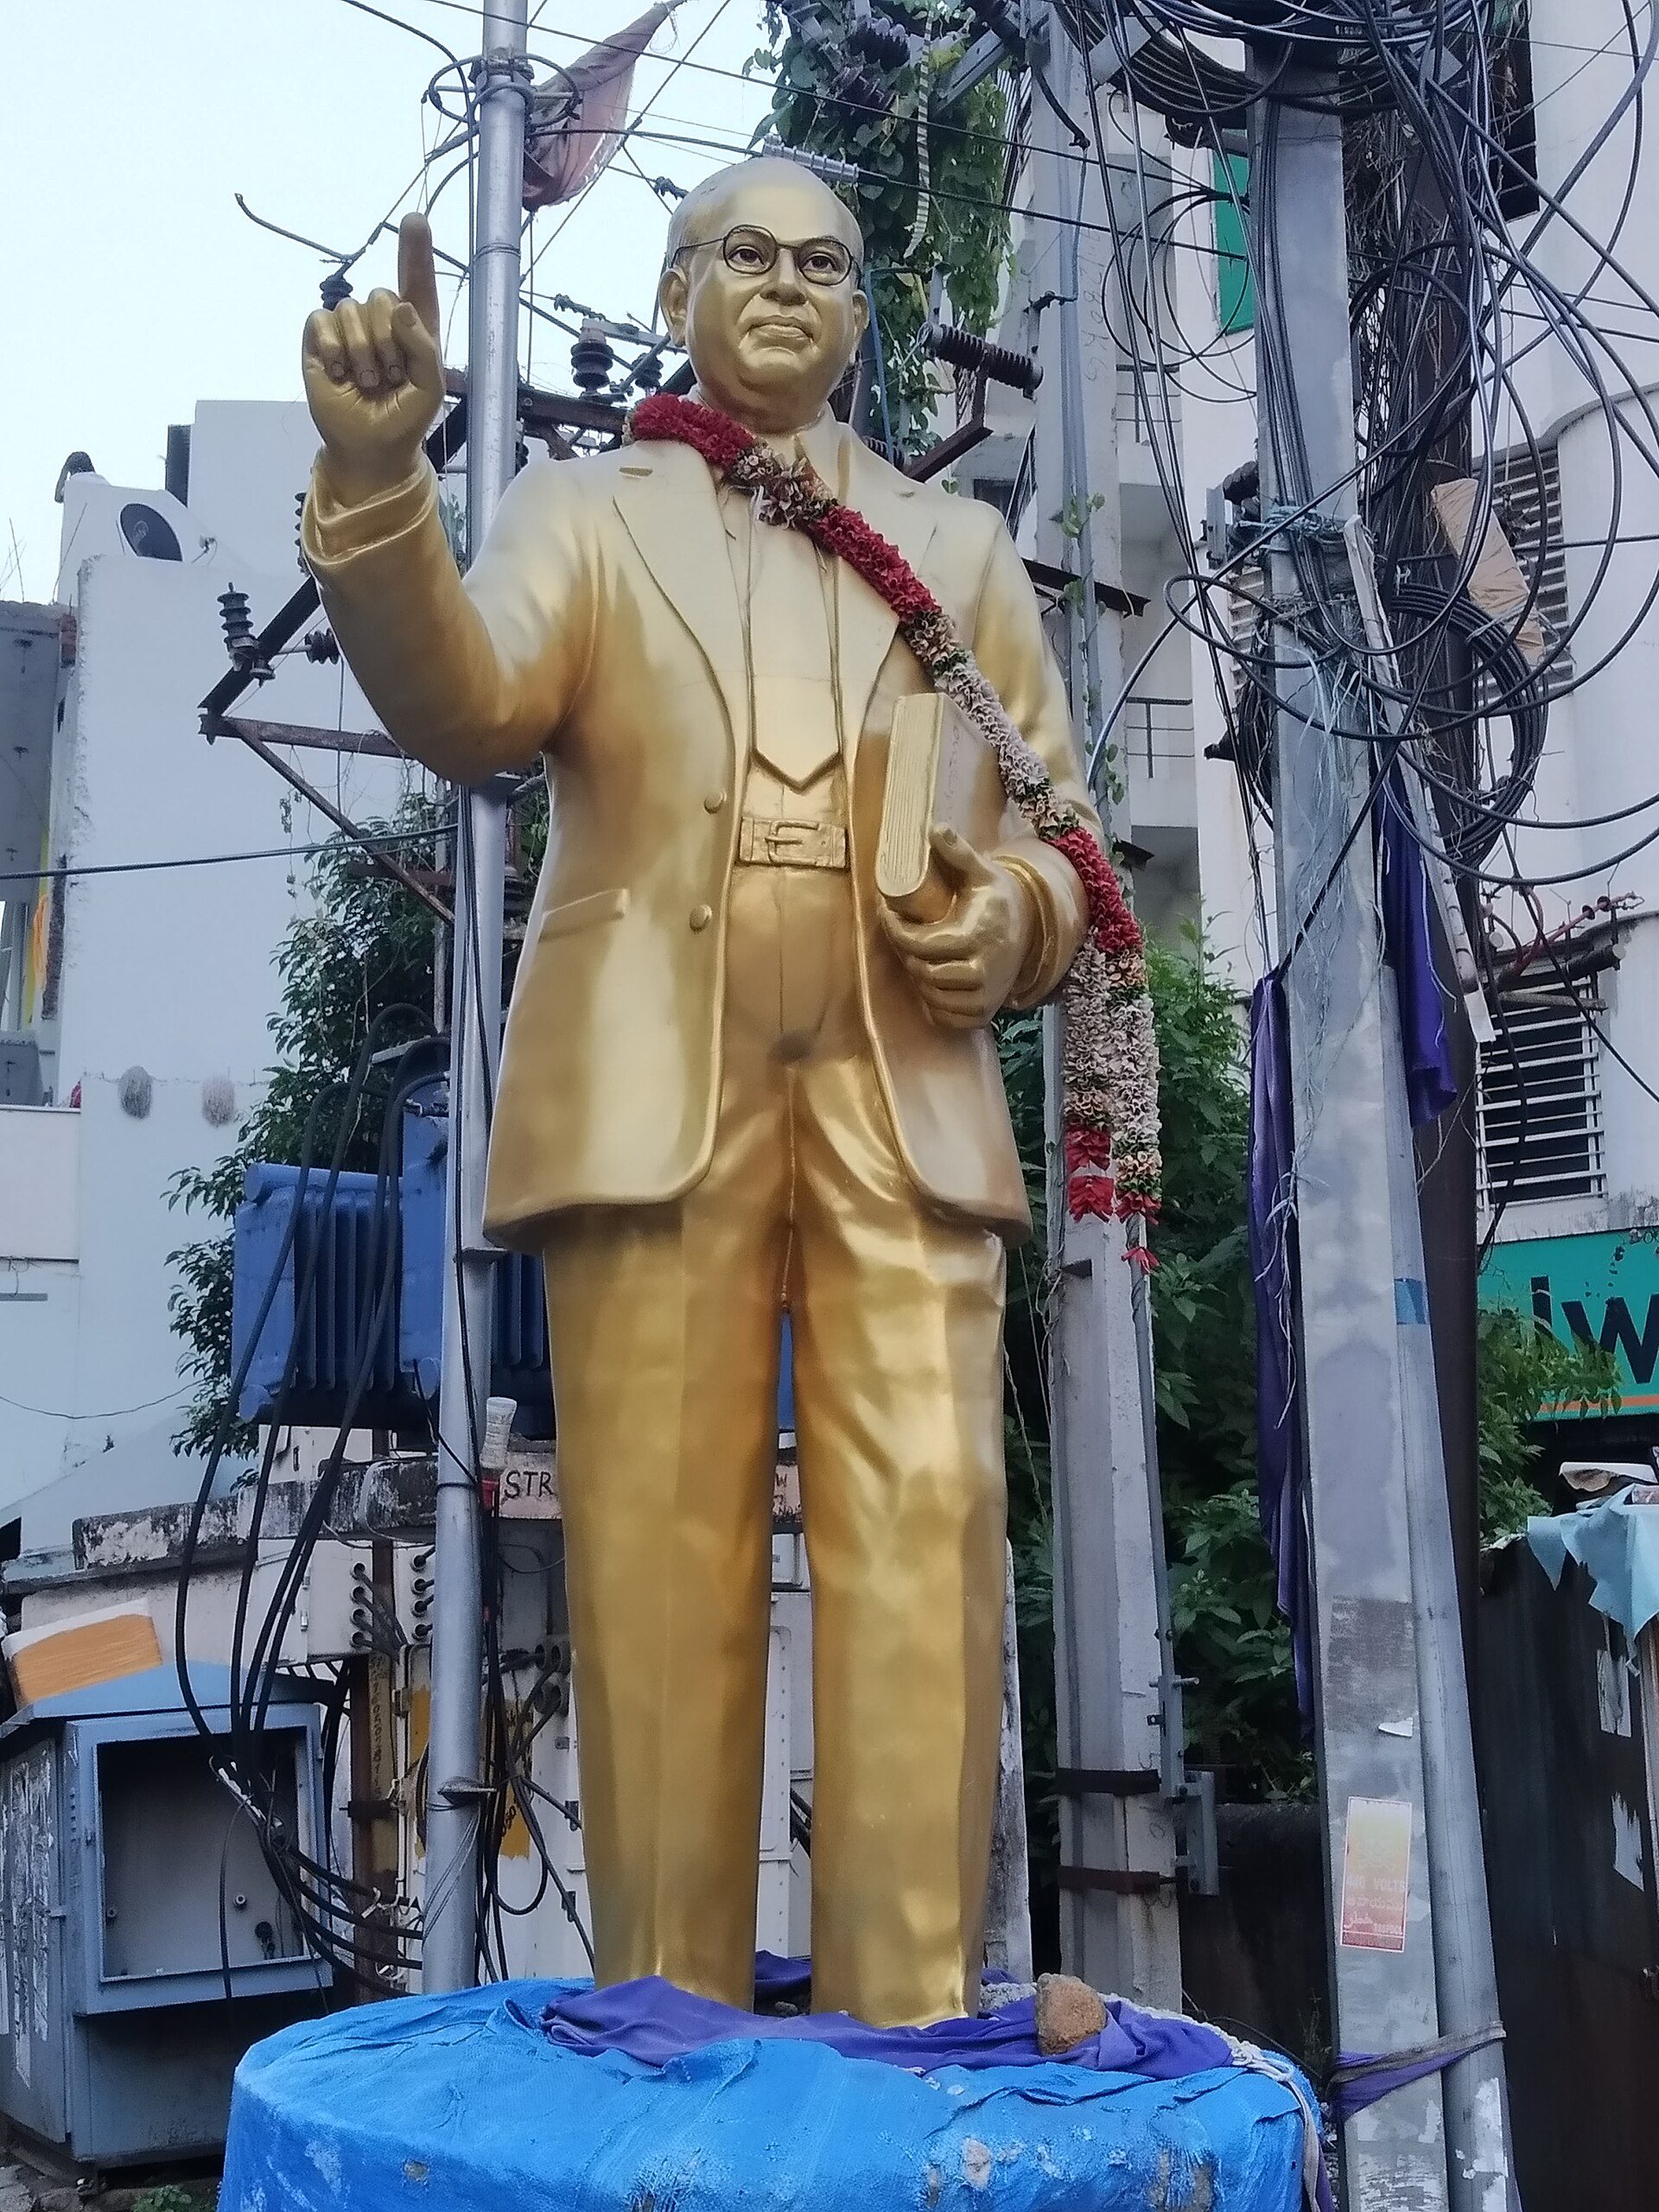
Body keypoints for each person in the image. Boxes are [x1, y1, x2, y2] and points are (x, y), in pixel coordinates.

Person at [300, 155, 1099, 2027]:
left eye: (829, 266)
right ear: (675, 290)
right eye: (749, 255)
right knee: (662, 1542)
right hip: (658, 1063)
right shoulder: (583, 513)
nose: (790, 290)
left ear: (859, 317)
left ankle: (907, 1998)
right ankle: (667, 2000)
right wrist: (376, 483)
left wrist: (1019, 922)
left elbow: (1058, 826)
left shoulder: (958, 550)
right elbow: (473, 703)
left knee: (934, 1510)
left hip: (903, 1070)